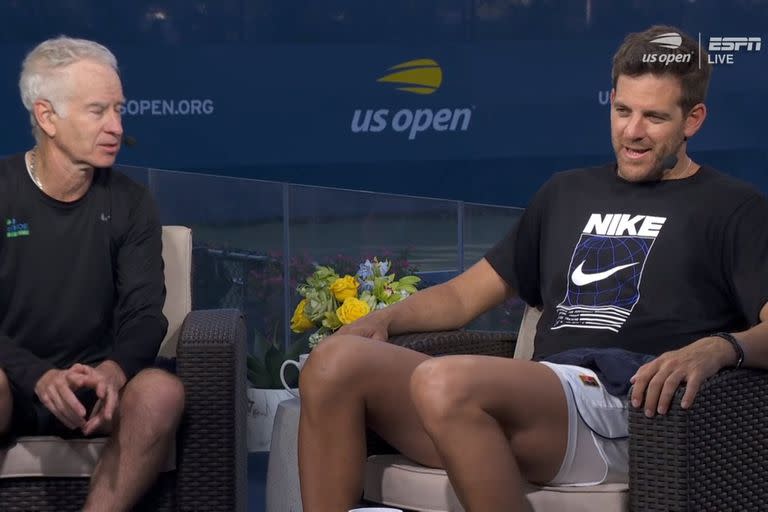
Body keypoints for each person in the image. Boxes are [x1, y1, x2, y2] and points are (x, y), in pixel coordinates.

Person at [297, 24, 768, 511]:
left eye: (654, 117)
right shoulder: (566, 192)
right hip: (541, 404)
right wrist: (383, 319)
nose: (632, 131)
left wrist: (718, 349)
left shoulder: (733, 208)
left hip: (635, 414)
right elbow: (463, 296)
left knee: (444, 382)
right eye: (622, 110)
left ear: (693, 120)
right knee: (334, 362)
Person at [0, 37, 185, 511]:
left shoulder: (131, 202)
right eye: (98, 111)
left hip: (100, 391)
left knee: (161, 392)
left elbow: (146, 313)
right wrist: (36, 376)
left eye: (119, 111)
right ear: (47, 117)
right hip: (11, 383)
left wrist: (114, 370)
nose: (116, 127)